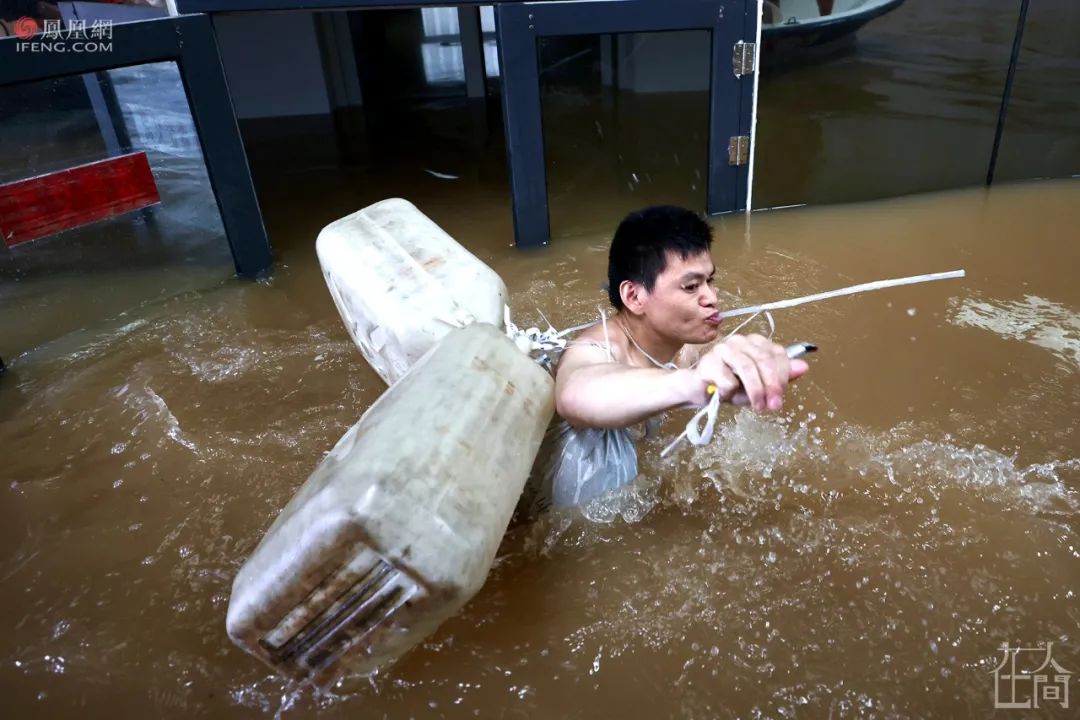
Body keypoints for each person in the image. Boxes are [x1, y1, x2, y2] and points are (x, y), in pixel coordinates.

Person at [518, 205, 810, 515]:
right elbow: (575, 394)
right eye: (691, 286)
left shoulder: (687, 345)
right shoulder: (594, 349)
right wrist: (695, 384)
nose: (711, 297)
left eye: (710, 281)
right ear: (634, 297)